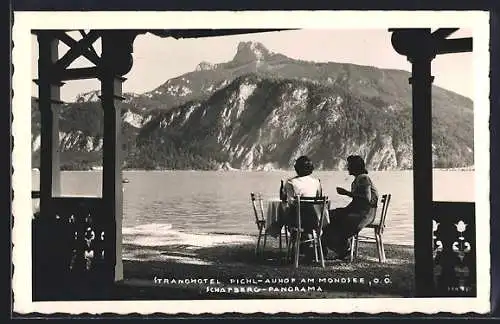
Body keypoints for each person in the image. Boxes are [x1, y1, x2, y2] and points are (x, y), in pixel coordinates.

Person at [322, 155, 379, 260]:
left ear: (355, 167)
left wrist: (346, 193)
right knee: (330, 216)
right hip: (360, 211)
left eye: (349, 165)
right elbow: (357, 201)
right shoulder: (359, 179)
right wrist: (344, 210)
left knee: (331, 219)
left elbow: (366, 199)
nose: (347, 168)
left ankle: (342, 248)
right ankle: (341, 248)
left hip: (364, 214)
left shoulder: (363, 178)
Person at [281, 155, 323, 261]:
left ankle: (299, 244)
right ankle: (306, 245)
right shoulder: (317, 182)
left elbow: (290, 202)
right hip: (315, 220)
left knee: (287, 214)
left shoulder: (291, 182)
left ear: (296, 168)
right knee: (301, 216)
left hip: (297, 221)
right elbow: (318, 200)